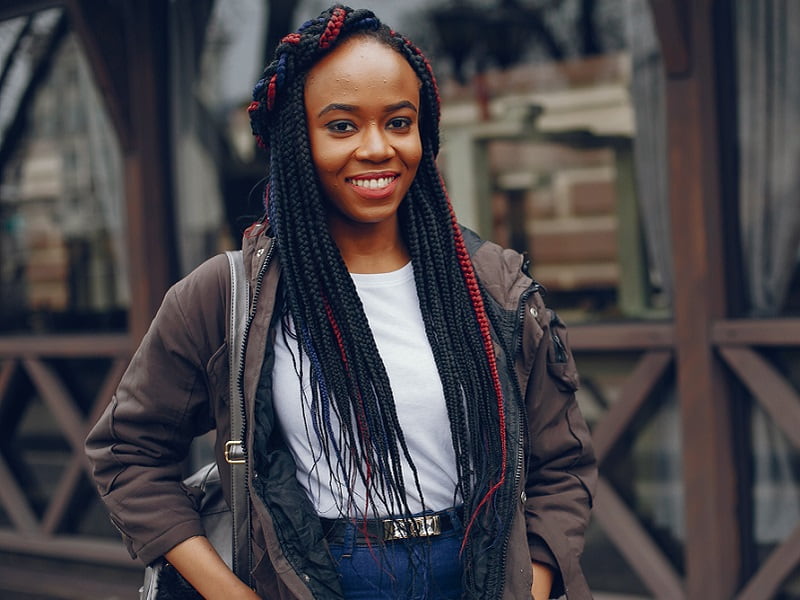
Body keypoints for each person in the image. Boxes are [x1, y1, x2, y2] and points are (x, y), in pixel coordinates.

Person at [85, 5, 596, 599]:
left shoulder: (493, 288)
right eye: (342, 126)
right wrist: (231, 594)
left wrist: (528, 590)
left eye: (399, 123)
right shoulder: (227, 295)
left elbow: (560, 468)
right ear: (297, 140)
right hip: (314, 578)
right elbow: (128, 454)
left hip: (476, 574)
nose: (377, 148)